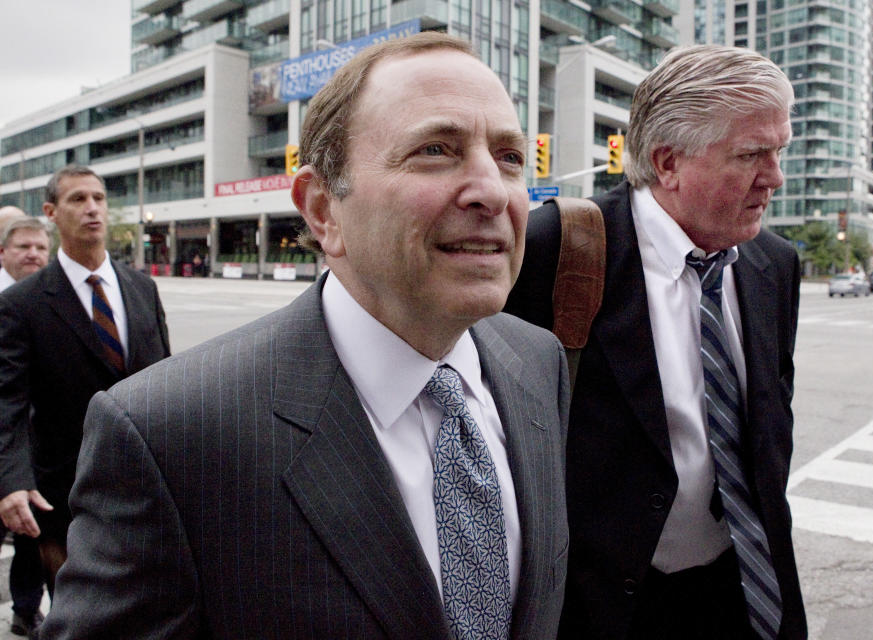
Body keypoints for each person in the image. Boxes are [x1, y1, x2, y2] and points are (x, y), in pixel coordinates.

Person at [40, 33, 569, 640]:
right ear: (322, 209)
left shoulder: (539, 361)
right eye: (436, 150)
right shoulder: (169, 432)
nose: (493, 191)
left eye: (508, 158)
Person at [506, 44, 807, 639]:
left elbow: (772, 424)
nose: (774, 176)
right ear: (667, 162)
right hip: (603, 608)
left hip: (744, 590)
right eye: (751, 155)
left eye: (779, 152)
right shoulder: (555, 251)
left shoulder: (774, 265)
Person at [0, 165, 171, 604]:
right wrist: (12, 481)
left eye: (98, 198)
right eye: (78, 199)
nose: (92, 208)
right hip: (64, 493)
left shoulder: (142, 289)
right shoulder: (22, 304)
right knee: (77, 610)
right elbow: (9, 401)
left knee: (150, 603)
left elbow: (170, 382)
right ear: (51, 213)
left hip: (147, 485)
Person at [0, 215, 51, 637]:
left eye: (39, 247)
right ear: (3, 253)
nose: (32, 254)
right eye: (23, 247)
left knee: (29, 539)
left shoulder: (47, 300)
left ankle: (25, 609)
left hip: (29, 445)